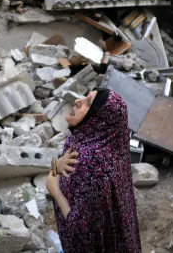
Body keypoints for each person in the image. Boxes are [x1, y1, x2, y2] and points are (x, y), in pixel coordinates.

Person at [46, 88, 141, 253]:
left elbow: (81, 233)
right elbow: (58, 169)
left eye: (88, 103)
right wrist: (55, 168)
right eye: (85, 97)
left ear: (98, 119)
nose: (78, 101)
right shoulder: (100, 145)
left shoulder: (93, 163)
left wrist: (55, 190)